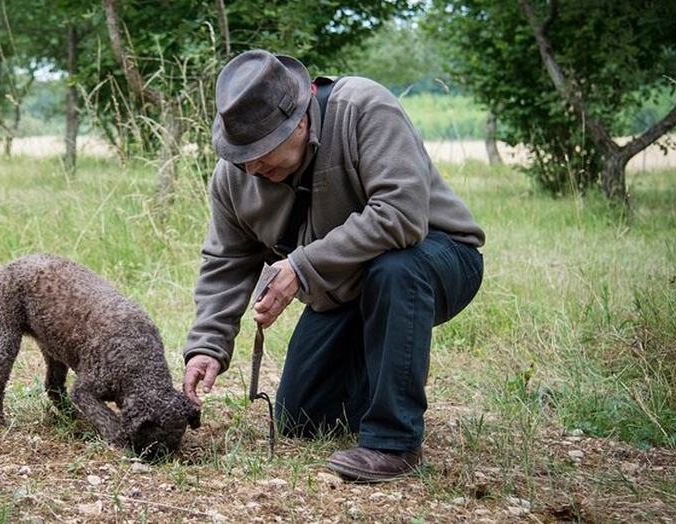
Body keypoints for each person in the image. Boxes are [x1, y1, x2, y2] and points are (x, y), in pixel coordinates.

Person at [182, 49, 485, 482]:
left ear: (301, 120)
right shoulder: (236, 176)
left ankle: (393, 441)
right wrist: (207, 345)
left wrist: (301, 268)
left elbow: (401, 215)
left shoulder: (364, 108)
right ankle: (382, 379)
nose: (250, 165)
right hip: (350, 286)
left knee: (396, 270)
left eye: (261, 149)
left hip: (438, 257)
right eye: (241, 152)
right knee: (302, 419)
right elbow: (226, 261)